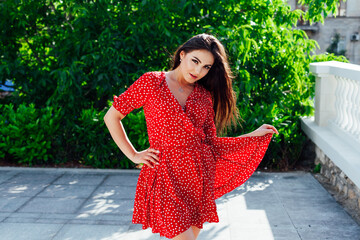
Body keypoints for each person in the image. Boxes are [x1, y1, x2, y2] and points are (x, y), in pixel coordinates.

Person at [104, 33, 278, 240]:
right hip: (165, 176)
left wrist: (252, 136)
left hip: (197, 179)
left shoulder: (203, 96)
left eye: (206, 67)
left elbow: (210, 144)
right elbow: (112, 116)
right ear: (182, 54)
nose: (198, 70)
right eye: (195, 61)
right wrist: (133, 155)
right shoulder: (152, 82)